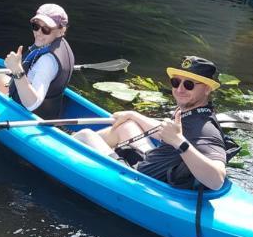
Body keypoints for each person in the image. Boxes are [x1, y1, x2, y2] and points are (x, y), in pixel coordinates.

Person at [73, 57, 228, 191]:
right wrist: (134, 115)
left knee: (85, 135)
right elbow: (166, 133)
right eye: (175, 82)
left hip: (138, 179)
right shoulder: (193, 111)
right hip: (150, 165)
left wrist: (179, 142)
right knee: (127, 124)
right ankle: (99, 154)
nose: (180, 89)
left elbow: (217, 180)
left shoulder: (205, 129)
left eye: (189, 84)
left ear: (207, 89)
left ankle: (68, 151)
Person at [0, 3, 74, 119]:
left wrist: (17, 70)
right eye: (36, 26)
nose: (39, 32)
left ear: (61, 30)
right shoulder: (58, 43)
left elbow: (32, 104)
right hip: (48, 110)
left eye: (46, 29)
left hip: (26, 113)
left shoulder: (47, 61)